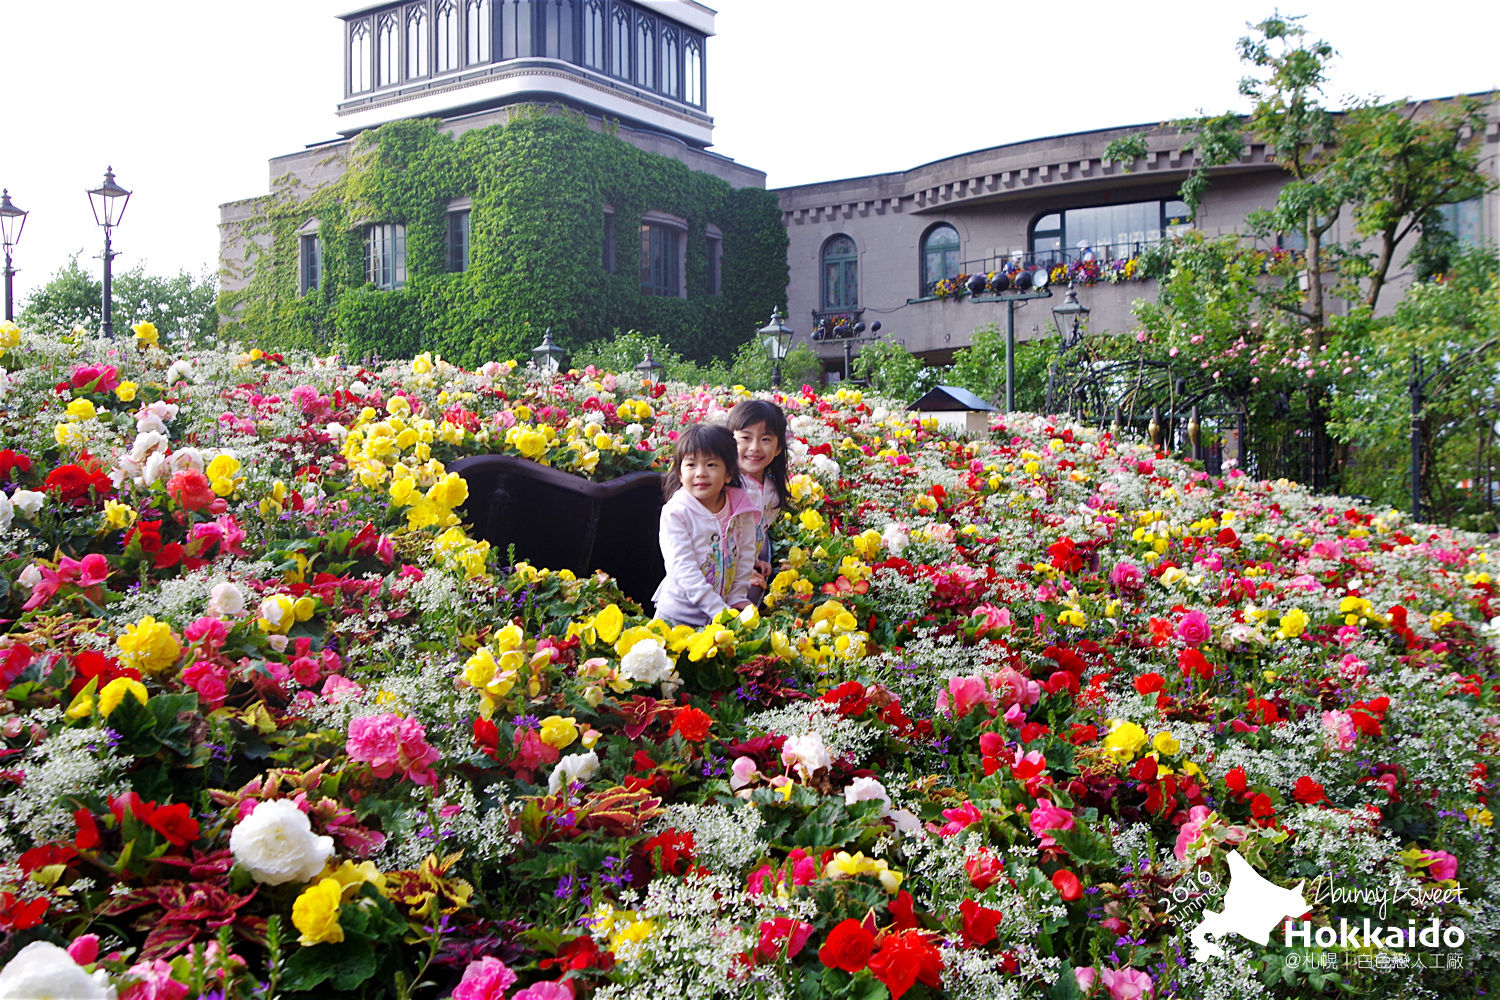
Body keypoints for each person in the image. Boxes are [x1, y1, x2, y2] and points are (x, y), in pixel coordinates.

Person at [651, 423, 760, 627]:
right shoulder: (677, 512)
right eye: (691, 465)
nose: (701, 472)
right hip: (679, 617)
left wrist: (737, 597)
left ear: (728, 473)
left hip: (721, 615)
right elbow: (683, 570)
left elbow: (746, 555)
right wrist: (719, 610)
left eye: (711, 465)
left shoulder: (740, 507)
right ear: (680, 474)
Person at [727, 399, 789, 605]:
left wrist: (752, 562)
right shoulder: (724, 488)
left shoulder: (772, 490)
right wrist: (740, 575)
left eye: (765, 439)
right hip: (709, 583)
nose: (754, 448)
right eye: (745, 437)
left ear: (778, 447)